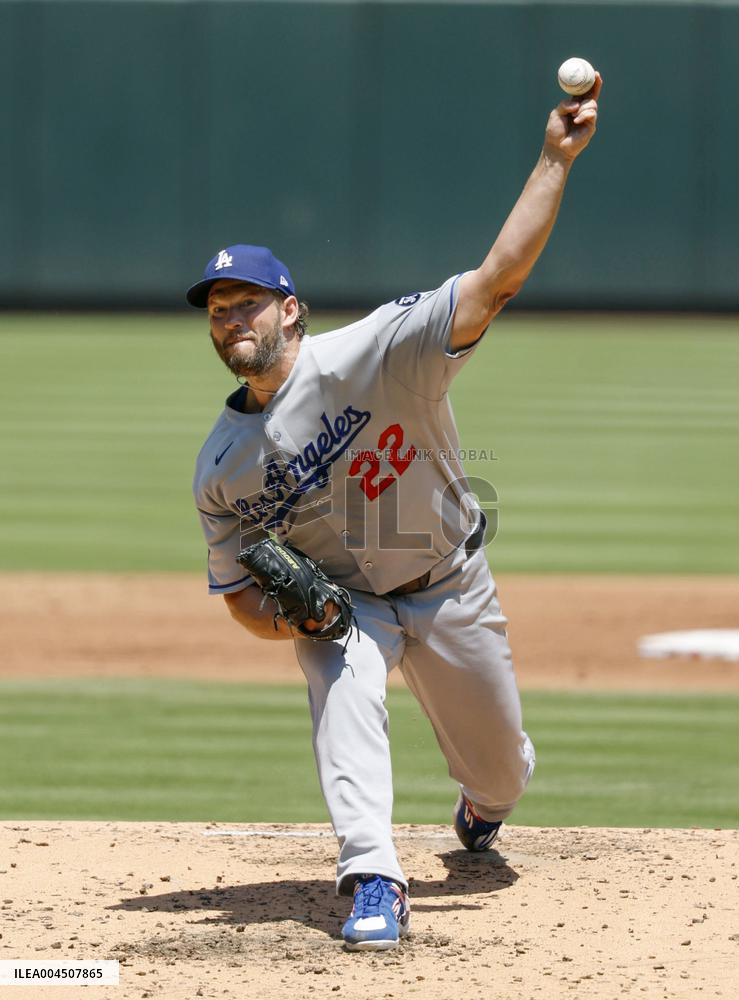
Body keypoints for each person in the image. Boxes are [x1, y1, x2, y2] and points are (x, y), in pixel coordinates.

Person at [189, 76, 601, 951]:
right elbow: (239, 596)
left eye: (246, 304)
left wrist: (553, 159)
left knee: (501, 772)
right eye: (218, 313)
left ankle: (480, 807)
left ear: (290, 309)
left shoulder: (375, 352)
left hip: (449, 583)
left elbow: (496, 282)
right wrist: (292, 615)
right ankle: (374, 877)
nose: (231, 321)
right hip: (352, 608)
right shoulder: (220, 470)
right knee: (336, 669)